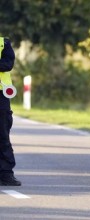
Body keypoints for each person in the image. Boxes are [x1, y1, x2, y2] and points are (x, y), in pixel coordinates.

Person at [0, 37, 21, 186]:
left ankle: (6, 174)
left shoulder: (3, 43)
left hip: (0, 95)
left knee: (2, 134)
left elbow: (8, 64)